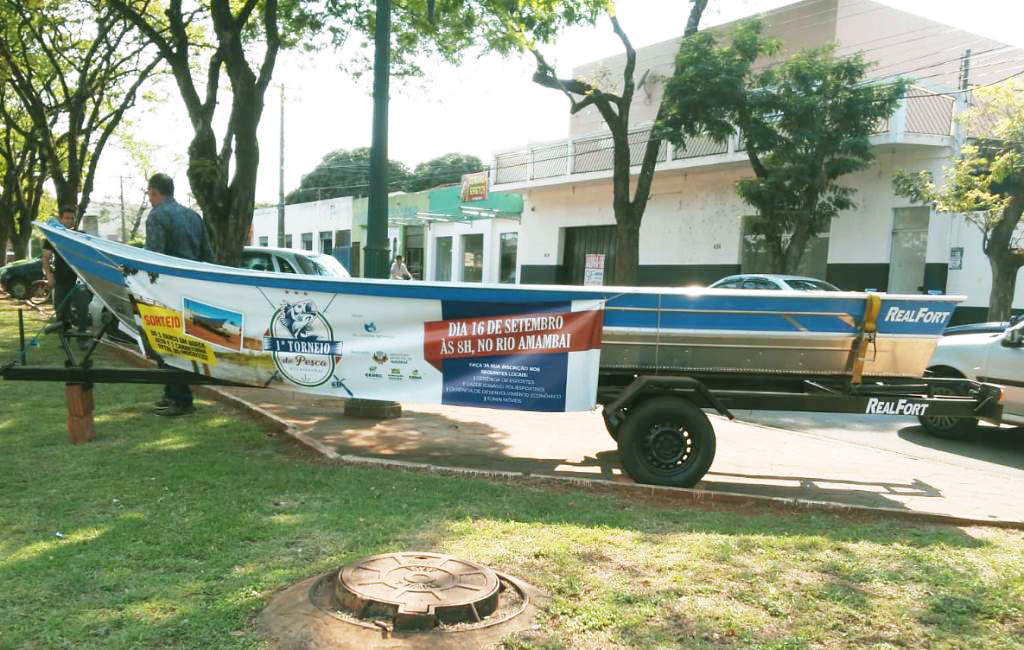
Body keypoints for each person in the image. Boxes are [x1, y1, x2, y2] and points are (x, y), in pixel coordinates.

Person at [145, 173, 214, 417]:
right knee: (184, 343)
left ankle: (180, 398)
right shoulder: (193, 216)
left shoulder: (157, 216)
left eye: (149, 194)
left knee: (166, 343)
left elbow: (152, 257)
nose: (150, 200)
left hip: (167, 290)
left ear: (155, 192)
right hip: (192, 289)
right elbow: (208, 257)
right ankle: (172, 392)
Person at [41, 206, 83, 332]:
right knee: (60, 310)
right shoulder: (52, 237)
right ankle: (65, 338)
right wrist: (49, 276)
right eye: (66, 218)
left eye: (72, 218)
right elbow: (45, 258)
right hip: (60, 279)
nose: (69, 220)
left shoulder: (80, 236)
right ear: (61, 219)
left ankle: (82, 337)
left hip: (78, 279)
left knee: (81, 308)